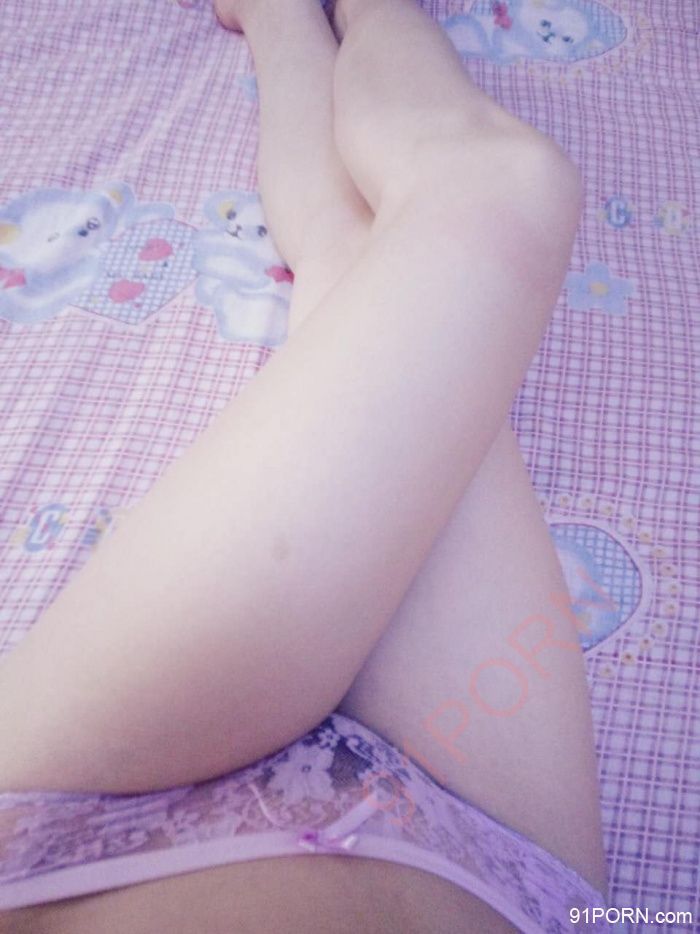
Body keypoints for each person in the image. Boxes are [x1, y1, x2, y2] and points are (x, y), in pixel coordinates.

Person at [0, 0, 610, 930]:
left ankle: (289, 11)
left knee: (459, 209)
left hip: (64, 835)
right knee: (393, 233)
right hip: (501, 877)